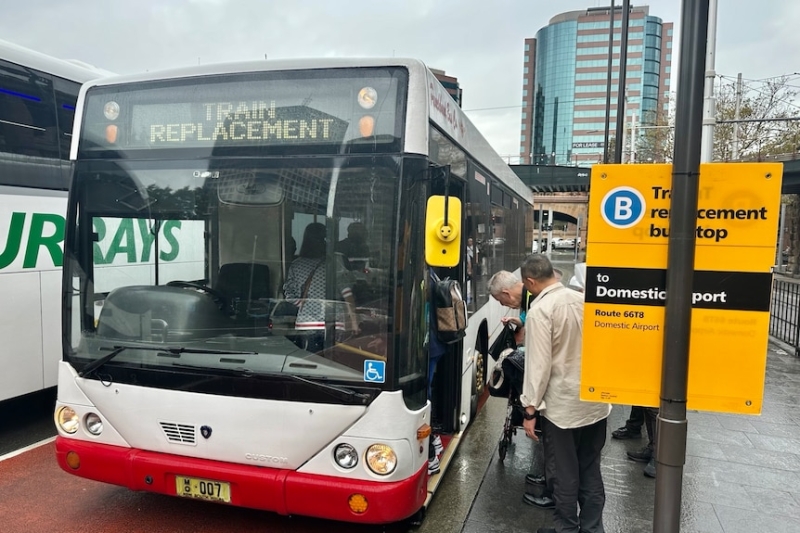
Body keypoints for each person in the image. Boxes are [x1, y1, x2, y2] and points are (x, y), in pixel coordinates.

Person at [519, 254, 611, 533]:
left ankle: (566, 529)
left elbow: (538, 366)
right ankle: (593, 528)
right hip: (595, 403)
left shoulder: (541, 310)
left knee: (563, 474)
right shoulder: (583, 301)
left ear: (531, 282)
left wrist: (529, 410)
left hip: (563, 408)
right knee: (590, 468)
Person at [488, 270, 553, 509]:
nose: (503, 305)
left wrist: (530, 411)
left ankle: (552, 488)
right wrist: (517, 322)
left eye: (500, 301)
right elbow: (528, 322)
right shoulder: (528, 298)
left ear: (505, 292)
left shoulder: (536, 298)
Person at [283, 222, 358, 351]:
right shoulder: (335, 262)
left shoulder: (296, 265)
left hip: (306, 323)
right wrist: (354, 320)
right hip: (334, 323)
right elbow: (347, 293)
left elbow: (288, 293)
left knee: (310, 363)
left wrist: (303, 304)